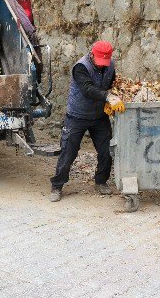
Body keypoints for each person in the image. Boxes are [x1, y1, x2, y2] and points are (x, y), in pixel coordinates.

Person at [49, 41, 125, 202]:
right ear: (91, 54)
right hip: (77, 115)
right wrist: (107, 97)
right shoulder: (80, 67)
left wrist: (117, 94)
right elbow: (87, 88)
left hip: (99, 116)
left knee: (107, 150)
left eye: (105, 62)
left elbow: (111, 83)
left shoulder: (109, 65)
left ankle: (101, 181)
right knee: (69, 151)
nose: (102, 66)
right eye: (100, 62)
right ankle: (57, 186)